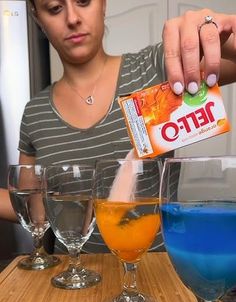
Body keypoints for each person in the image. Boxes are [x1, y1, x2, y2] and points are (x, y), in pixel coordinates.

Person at [1, 1, 236, 252]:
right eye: (55, 8)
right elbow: (35, 211)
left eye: (83, 1)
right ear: (38, 18)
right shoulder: (35, 112)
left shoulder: (157, 68)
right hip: (75, 278)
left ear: (103, 4)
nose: (72, 18)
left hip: (154, 278)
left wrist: (224, 26)